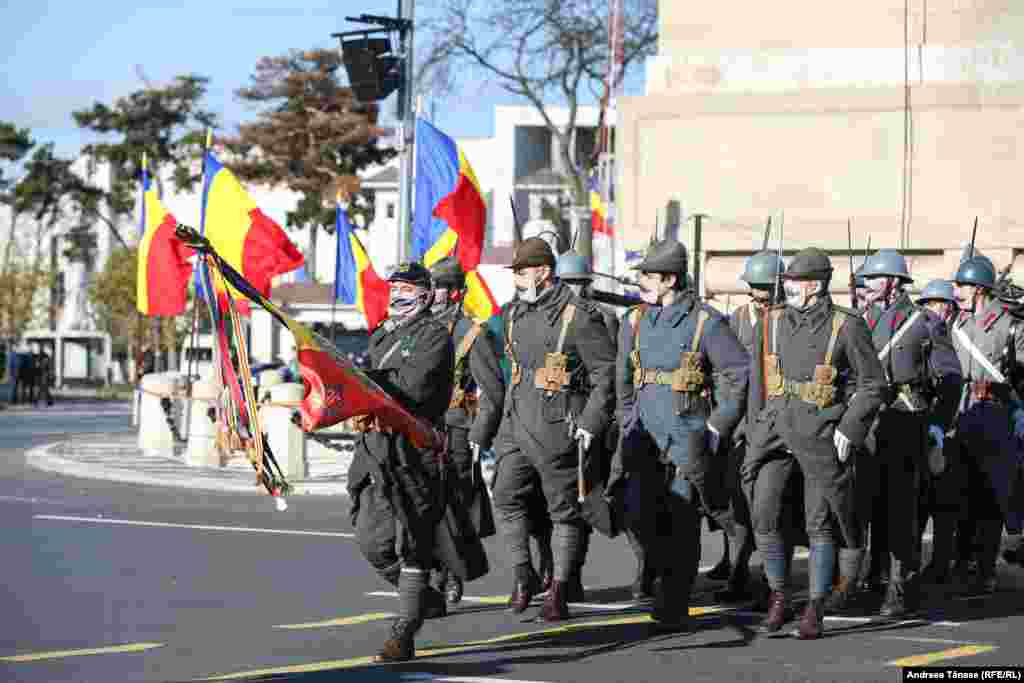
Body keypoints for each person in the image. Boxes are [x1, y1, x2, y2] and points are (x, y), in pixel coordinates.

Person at [745, 247, 886, 639]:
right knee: (764, 511)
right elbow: (757, 382)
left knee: (818, 523)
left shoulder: (847, 325)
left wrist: (850, 428)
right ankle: (777, 596)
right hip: (774, 432)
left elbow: (873, 384)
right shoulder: (771, 321)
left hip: (822, 432)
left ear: (816, 285)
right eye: (786, 280)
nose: (786, 286)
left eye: (794, 280)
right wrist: (755, 427)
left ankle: (815, 606)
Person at [617, 238, 749, 632]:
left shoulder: (707, 323)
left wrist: (717, 424)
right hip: (643, 435)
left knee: (680, 521)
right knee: (640, 514)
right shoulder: (636, 320)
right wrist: (627, 417)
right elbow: (623, 375)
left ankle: (674, 599)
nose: (641, 282)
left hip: (685, 433)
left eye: (648, 276)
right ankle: (660, 580)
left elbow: (738, 372)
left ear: (670, 279)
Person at [492, 237, 616, 622]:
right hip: (515, 424)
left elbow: (605, 375)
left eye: (521, 272)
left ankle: (560, 588)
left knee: (563, 512)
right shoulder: (513, 313)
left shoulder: (578, 315)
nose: (516, 280)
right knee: (505, 495)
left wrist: (591, 422)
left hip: (559, 424)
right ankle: (522, 573)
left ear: (543, 272)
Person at [345, 261, 455, 662]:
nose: (396, 294)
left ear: (425, 294)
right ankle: (423, 595)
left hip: (414, 450)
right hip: (375, 448)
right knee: (371, 541)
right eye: (393, 287)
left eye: (406, 287)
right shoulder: (381, 335)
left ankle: (402, 634)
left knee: (412, 544)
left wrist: (365, 384)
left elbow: (413, 388)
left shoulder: (433, 337)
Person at [847, 251, 962, 617]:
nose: (867, 284)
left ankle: (900, 586)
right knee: (868, 503)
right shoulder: (859, 320)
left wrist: (937, 425)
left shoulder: (925, 322)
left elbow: (951, 379)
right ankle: (875, 577)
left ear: (893, 282)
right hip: (868, 424)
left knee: (900, 509)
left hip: (906, 422)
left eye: (875, 278)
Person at [428, 256, 505, 605]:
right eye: (431, 287)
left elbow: (492, 389)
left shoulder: (472, 333)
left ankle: (449, 574)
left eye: (440, 288)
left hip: (456, 429)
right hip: (420, 428)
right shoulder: (420, 327)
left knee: (453, 503)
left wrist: (479, 436)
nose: (433, 294)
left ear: (456, 293)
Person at [949, 256, 1024, 594]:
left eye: (961, 285)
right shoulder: (958, 325)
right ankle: (960, 561)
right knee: (962, 492)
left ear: (978, 289)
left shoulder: (1010, 326)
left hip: (995, 415)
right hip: (961, 415)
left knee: (991, 494)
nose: (956, 290)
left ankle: (984, 566)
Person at [913, 279, 968, 585]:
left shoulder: (923, 327)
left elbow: (949, 381)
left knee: (934, 503)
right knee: (936, 504)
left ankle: (934, 565)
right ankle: (936, 564)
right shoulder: (936, 329)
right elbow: (949, 381)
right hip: (934, 426)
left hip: (929, 425)